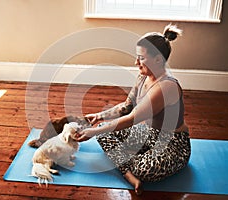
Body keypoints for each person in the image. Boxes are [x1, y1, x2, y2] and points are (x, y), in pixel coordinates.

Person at [76, 24, 191, 195]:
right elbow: (126, 107)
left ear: (158, 59)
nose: (136, 62)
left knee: (142, 169)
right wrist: (100, 116)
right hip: (148, 132)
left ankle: (132, 168)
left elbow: (131, 118)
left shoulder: (166, 87)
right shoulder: (143, 76)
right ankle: (127, 172)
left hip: (172, 143)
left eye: (141, 58)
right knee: (102, 130)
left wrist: (90, 133)